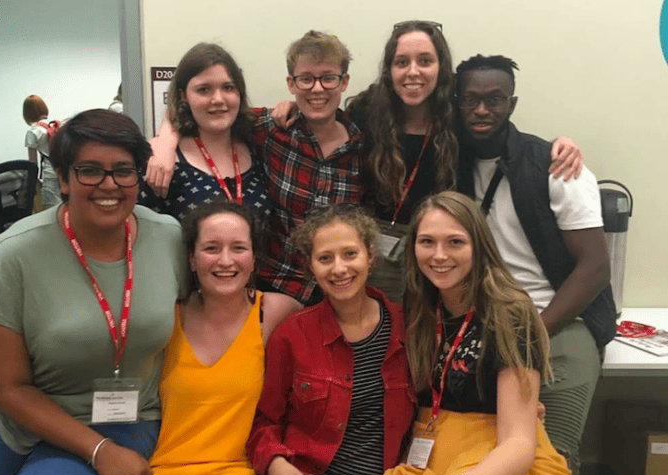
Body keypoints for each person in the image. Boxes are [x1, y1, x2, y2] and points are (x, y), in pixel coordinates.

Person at [0, 109, 187, 475]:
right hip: (13, 413)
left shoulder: (168, 237)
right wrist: (97, 451)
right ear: (63, 178)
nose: (109, 185)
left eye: (123, 171)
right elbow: (6, 385)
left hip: (123, 417)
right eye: (90, 171)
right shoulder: (13, 252)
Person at [271, 22, 582, 302]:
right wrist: (293, 106)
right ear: (389, 70)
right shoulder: (368, 111)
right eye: (401, 62)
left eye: (425, 61)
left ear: (440, 67)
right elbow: (326, 118)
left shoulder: (459, 118)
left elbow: (504, 136)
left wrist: (557, 145)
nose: (413, 72)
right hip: (375, 253)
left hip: (439, 252)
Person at [362, 191, 580, 475]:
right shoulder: (417, 307)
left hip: (498, 463)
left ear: (478, 247)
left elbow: (518, 443)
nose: (439, 255)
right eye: (426, 242)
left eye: (454, 242)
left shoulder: (510, 314)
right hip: (427, 460)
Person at [454, 54, 616, 475]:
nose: (483, 110)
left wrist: (534, 333)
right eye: (471, 100)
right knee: (482, 455)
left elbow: (596, 267)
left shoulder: (556, 166)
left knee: (552, 463)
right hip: (482, 327)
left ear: (512, 103)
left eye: (495, 99)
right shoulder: (447, 165)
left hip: (559, 324)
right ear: (455, 103)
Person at [103, 202, 302, 475]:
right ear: (192, 259)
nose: (226, 260)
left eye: (238, 248)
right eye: (211, 248)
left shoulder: (275, 312)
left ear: (254, 258)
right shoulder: (165, 316)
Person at [146, 31, 365, 305]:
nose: (317, 89)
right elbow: (198, 110)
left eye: (328, 78)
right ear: (291, 83)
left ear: (344, 81)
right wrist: (165, 141)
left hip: (336, 293)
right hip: (270, 292)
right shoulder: (271, 129)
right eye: (306, 79)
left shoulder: (364, 147)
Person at [246, 204, 414, 475]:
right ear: (310, 266)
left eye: (350, 254)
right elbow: (263, 420)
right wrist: (275, 463)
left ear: (370, 256)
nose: (339, 269)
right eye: (325, 258)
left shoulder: (406, 330)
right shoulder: (292, 335)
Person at [138, 43, 271, 225]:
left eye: (228, 87)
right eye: (203, 90)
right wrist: (165, 141)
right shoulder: (160, 162)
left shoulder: (257, 144)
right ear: (183, 95)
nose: (218, 99)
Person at [23, 94, 60, 208]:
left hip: (50, 175)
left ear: (27, 114)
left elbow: (32, 164)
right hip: (66, 172)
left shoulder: (33, 131)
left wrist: (32, 184)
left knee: (50, 212)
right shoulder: (58, 125)